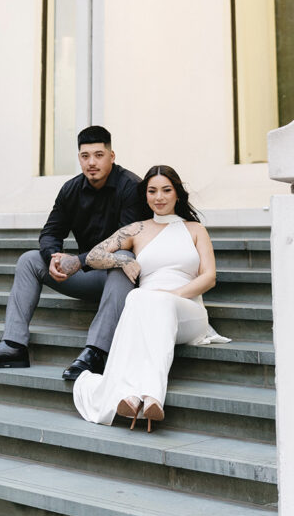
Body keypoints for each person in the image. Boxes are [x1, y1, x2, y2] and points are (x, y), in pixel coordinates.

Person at [0, 126, 141, 379]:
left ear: (112, 156)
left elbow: (128, 241)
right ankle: (14, 346)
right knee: (29, 260)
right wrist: (53, 258)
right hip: (90, 276)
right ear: (79, 157)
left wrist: (78, 261)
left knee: (125, 259)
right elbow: (50, 233)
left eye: (99, 155)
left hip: (121, 279)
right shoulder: (71, 189)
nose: (91, 162)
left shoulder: (131, 187)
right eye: (85, 155)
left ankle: (96, 352)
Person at [72, 165, 230, 430]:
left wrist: (170, 295)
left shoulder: (195, 229)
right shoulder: (136, 230)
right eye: (152, 191)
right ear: (145, 195)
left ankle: (146, 393)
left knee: (146, 299)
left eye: (166, 190)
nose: (159, 197)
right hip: (146, 309)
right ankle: (140, 396)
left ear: (177, 193)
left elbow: (209, 277)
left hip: (187, 311)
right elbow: (92, 256)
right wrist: (120, 262)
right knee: (136, 298)